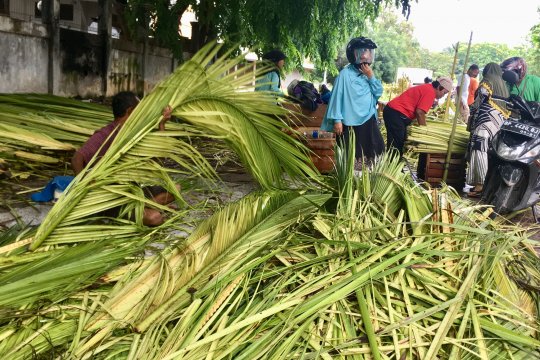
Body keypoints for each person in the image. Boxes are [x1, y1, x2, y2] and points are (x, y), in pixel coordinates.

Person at [71, 91, 178, 226]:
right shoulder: (106, 134)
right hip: (114, 200)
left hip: (132, 192)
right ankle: (118, 212)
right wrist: (87, 187)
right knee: (155, 218)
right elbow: (76, 159)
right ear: (130, 111)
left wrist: (161, 125)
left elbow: (160, 156)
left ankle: (144, 207)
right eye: (139, 110)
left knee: (176, 189)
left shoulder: (135, 134)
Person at [320, 36, 384, 168]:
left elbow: (378, 93)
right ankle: (352, 183)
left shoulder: (368, 74)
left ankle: (369, 182)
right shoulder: (345, 74)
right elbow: (337, 97)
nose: (366, 57)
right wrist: (337, 120)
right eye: (362, 53)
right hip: (349, 121)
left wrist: (371, 77)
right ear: (353, 55)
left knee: (375, 148)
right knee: (351, 153)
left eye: (369, 53)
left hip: (368, 118)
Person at [465, 63, 510, 197]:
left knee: (480, 148)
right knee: (487, 151)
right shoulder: (503, 84)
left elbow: (480, 100)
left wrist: (471, 110)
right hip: (498, 122)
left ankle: (480, 185)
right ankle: (481, 183)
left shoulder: (487, 80)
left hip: (486, 120)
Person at [383, 76, 453, 156]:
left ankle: (393, 161)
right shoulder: (430, 92)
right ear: (439, 87)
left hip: (393, 112)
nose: (443, 96)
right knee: (396, 144)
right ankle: (393, 163)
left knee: (397, 142)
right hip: (395, 113)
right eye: (444, 93)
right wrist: (424, 131)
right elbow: (419, 112)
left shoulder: (428, 88)